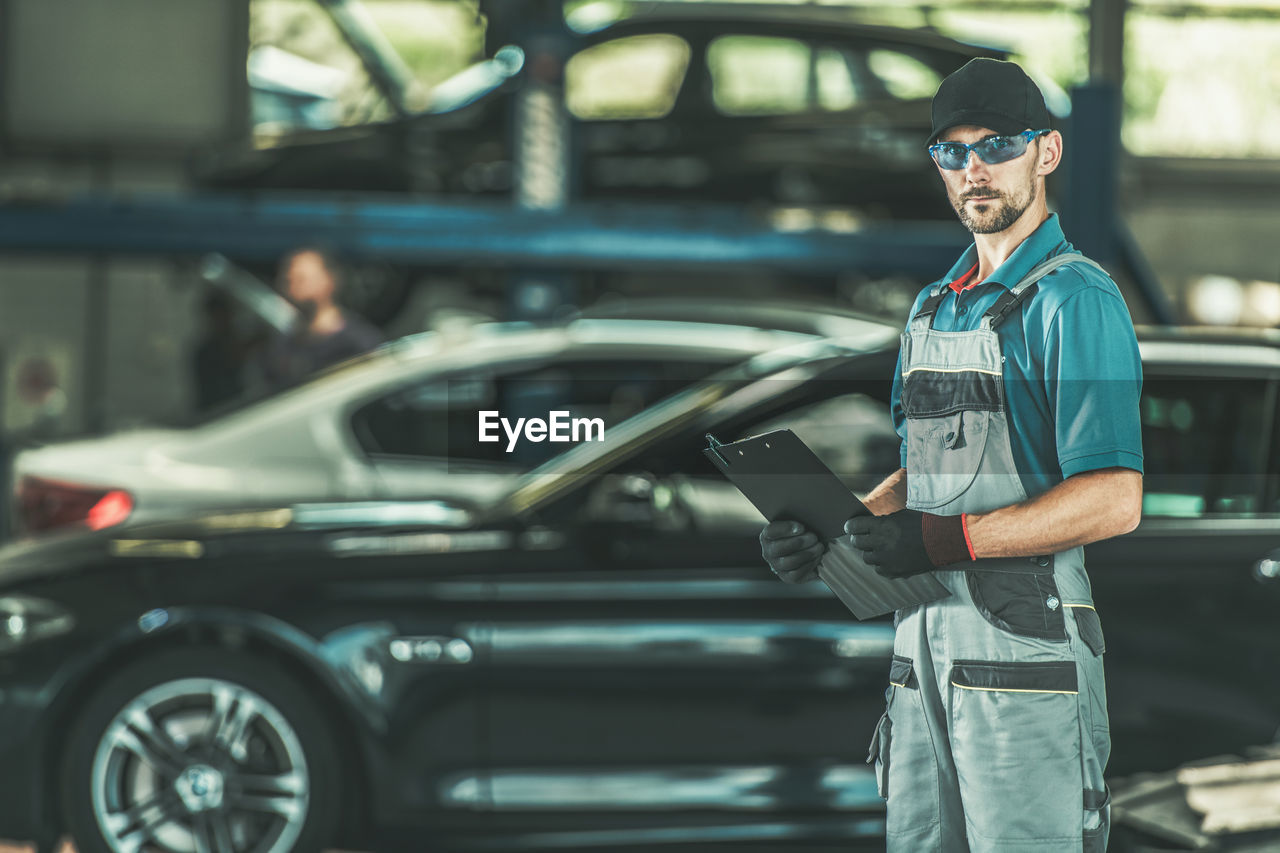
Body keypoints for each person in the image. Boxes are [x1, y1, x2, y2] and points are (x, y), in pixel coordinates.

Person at [760, 58, 1143, 852]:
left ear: (1047, 153)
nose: (974, 169)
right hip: (922, 647)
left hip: (1024, 650)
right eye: (952, 152)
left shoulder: (1077, 300)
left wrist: (941, 539)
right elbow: (930, 466)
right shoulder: (935, 306)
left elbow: (1113, 498)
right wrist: (837, 529)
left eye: (997, 145)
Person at [261, 247, 384, 390]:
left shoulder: (360, 343)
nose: (292, 288)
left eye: (301, 280)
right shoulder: (282, 347)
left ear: (329, 281)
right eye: (289, 280)